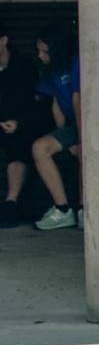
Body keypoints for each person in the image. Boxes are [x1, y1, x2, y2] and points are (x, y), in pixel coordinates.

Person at [30, 23, 81, 231]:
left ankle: (85, 209)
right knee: (39, 147)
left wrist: (81, 140)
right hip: (73, 126)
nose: (40, 55)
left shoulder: (77, 62)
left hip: (92, 124)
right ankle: (63, 209)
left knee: (84, 153)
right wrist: (63, 138)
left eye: (45, 51)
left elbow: (78, 103)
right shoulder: (51, 71)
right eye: (38, 50)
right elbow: (56, 105)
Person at [0, 22, 42, 227]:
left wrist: (18, 122)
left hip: (18, 124)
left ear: (3, 41)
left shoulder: (24, 67)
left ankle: (11, 203)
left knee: (19, 143)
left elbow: (35, 105)